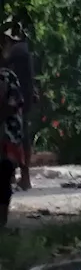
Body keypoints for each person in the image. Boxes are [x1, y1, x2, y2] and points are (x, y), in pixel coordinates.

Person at [3, 18, 36, 191]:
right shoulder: (24, 50)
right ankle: (22, 176)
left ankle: (21, 176)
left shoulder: (15, 51)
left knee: (13, 136)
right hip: (22, 98)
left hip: (14, 99)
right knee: (22, 135)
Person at [0, 29, 25, 227]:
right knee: (3, 182)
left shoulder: (8, 76)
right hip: (6, 139)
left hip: (6, 138)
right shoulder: (8, 77)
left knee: (4, 181)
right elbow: (14, 104)